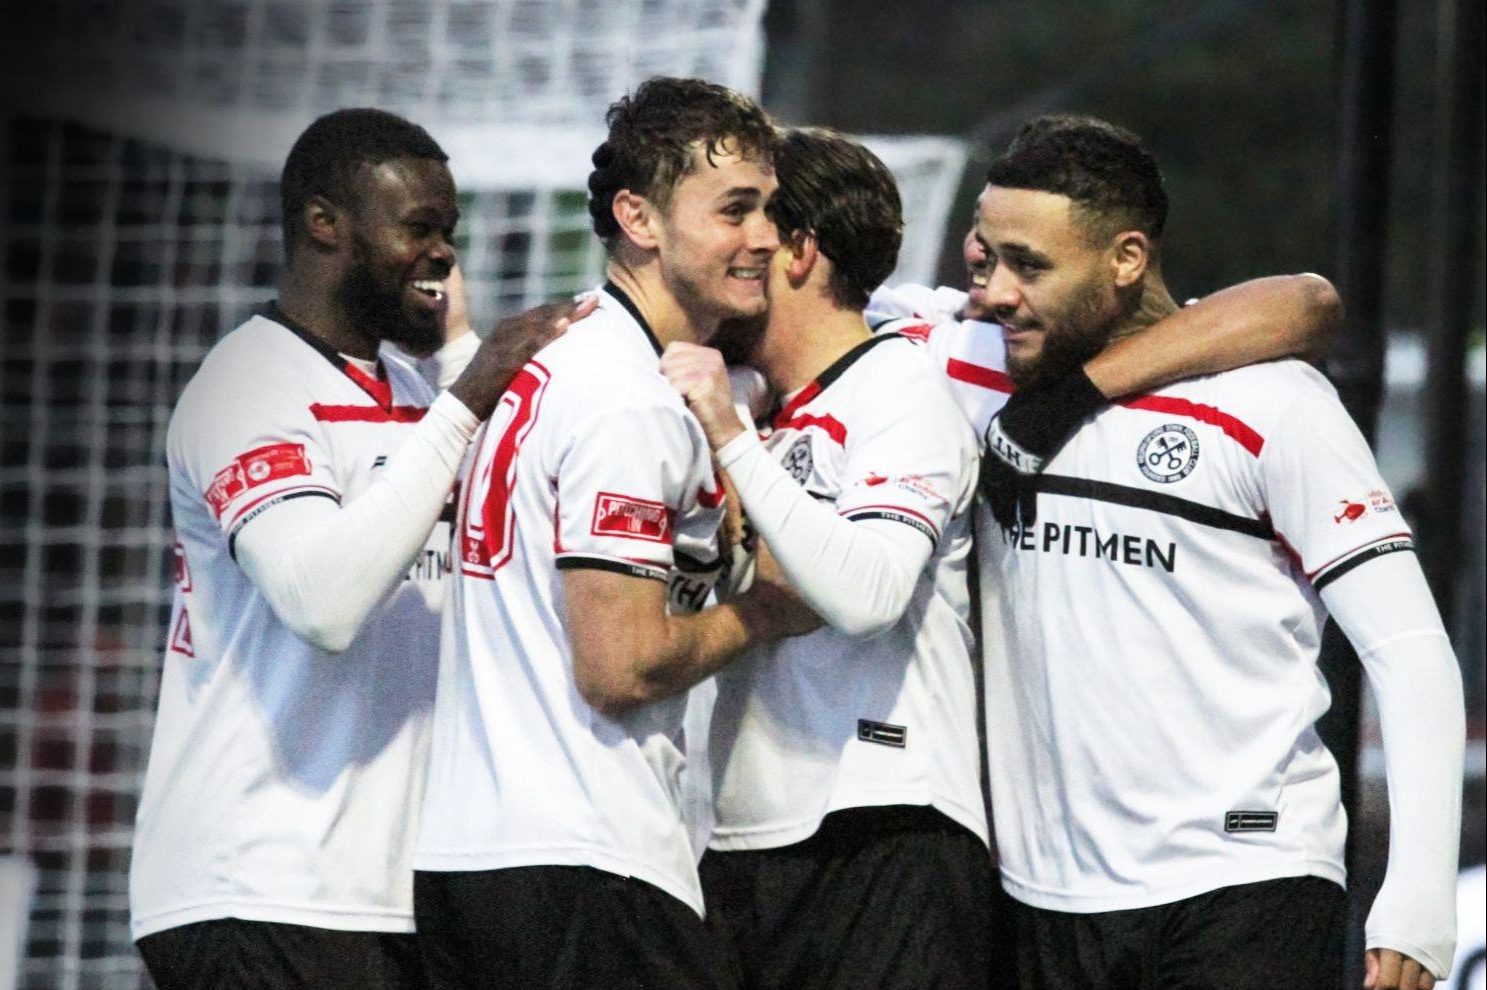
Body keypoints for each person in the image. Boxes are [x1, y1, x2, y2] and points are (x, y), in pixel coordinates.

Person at [962, 115, 1463, 990]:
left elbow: (1411, 652)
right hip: (1038, 898)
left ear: (1125, 259)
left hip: (1243, 883)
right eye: (986, 258)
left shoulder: (1271, 401)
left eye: (1029, 266)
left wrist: (1418, 899)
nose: (996, 292)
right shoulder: (967, 366)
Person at [129, 107, 588, 990]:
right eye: (418, 228)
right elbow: (322, 604)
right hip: (261, 884)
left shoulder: (412, 390)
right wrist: (468, 396)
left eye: (447, 233)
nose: (443, 253)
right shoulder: (249, 385)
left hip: (393, 889)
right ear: (325, 223)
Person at [411, 77, 808, 990]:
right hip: (585, 862)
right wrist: (768, 611)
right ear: (638, 215)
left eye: (769, 211)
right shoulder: (627, 399)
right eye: (733, 210)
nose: (762, 239)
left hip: (475, 857)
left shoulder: (558, 359)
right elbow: (618, 665)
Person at [661, 127, 993, 989]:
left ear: (801, 249)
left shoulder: (901, 390)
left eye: (750, 224)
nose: (734, 251)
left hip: (884, 832)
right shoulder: (753, 403)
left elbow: (867, 590)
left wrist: (731, 440)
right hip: (741, 840)